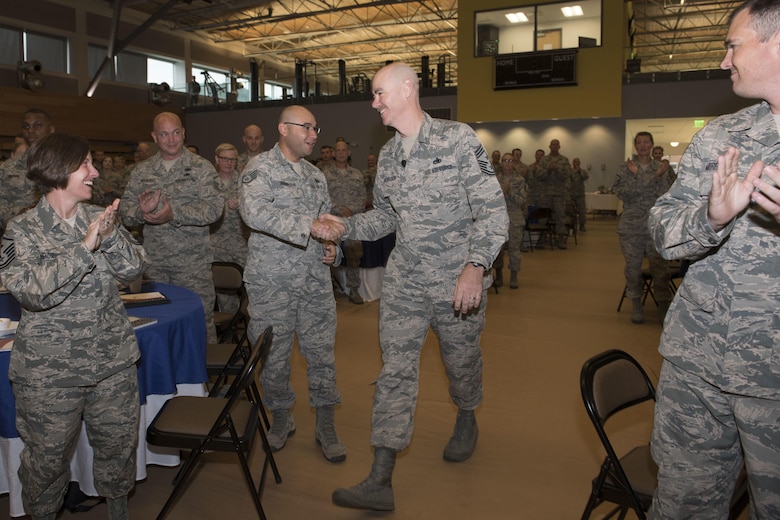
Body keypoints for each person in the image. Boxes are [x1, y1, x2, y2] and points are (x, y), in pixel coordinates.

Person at [327, 62, 508, 511]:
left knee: (461, 361)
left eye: (378, 93)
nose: (374, 103)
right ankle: (380, 478)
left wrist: (475, 267)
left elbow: (493, 212)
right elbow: (387, 217)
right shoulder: (388, 155)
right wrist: (343, 227)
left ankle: (467, 414)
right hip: (405, 279)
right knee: (395, 370)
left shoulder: (458, 138)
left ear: (407, 89)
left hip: (456, 282)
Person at [647, 1, 780, 517]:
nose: (725, 61)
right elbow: (662, 229)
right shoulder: (723, 137)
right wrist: (711, 219)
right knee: (681, 505)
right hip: (696, 366)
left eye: (733, 45)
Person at [0, 133, 148, 520]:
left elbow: (134, 271)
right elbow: (32, 293)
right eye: (86, 164)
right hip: (49, 374)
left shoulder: (101, 216)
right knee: (46, 466)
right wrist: (84, 247)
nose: (95, 172)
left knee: (117, 451)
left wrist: (110, 234)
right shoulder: (22, 231)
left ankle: (119, 512)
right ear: (58, 170)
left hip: (112, 364)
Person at [238, 105, 347, 463]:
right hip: (273, 283)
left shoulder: (317, 176)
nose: (314, 134)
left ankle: (326, 422)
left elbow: (328, 225)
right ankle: (282, 417)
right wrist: (309, 226)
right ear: (283, 129)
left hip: (315, 282)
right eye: (307, 127)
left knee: (321, 355)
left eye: (317, 127)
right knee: (274, 358)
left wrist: (334, 249)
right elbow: (253, 213)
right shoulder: (260, 169)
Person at [120, 111, 223, 343]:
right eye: (164, 134)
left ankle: (204, 378)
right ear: (154, 137)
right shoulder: (142, 171)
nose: (171, 139)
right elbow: (125, 213)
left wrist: (174, 214)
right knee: (159, 324)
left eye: (176, 132)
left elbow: (215, 210)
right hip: (155, 265)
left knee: (200, 325)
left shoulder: (201, 168)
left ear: (183, 133)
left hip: (193, 265)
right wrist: (142, 212)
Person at [613, 131, 673, 324]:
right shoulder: (625, 169)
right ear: (635, 146)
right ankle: (636, 303)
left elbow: (667, 195)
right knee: (633, 268)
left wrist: (643, 178)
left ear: (652, 144)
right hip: (632, 227)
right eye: (639, 143)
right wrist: (650, 177)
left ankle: (663, 304)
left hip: (656, 225)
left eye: (646, 142)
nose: (643, 146)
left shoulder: (664, 168)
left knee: (660, 268)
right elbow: (623, 195)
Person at [323, 140, 367, 304]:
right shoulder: (325, 174)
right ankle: (329, 291)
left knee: (354, 257)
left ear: (349, 153)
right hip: (332, 222)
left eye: (344, 150)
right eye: (338, 150)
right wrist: (339, 210)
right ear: (333, 153)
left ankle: (354, 290)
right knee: (327, 256)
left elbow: (363, 198)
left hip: (352, 222)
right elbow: (323, 198)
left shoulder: (357, 174)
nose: (341, 153)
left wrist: (350, 209)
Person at [0, 108, 54, 235]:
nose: (30, 130)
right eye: (26, 126)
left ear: (51, 130)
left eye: (37, 125)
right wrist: (19, 214)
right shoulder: (9, 166)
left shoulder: (65, 165)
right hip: (19, 236)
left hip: (57, 237)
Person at [210, 142, 250, 312]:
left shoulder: (244, 183)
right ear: (217, 159)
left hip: (239, 244)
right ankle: (230, 324)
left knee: (245, 289)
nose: (229, 163)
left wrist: (242, 206)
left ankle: (241, 321)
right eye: (225, 159)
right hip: (215, 244)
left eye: (232, 159)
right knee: (221, 292)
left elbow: (255, 212)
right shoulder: (208, 183)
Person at [493, 152, 528, 289]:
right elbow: (490, 200)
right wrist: (501, 192)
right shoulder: (495, 179)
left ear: (513, 163)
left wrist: (510, 192)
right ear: (501, 163)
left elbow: (522, 200)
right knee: (498, 250)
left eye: (510, 160)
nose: (507, 163)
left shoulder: (520, 180)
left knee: (514, 249)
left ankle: (514, 275)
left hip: (514, 217)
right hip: (498, 218)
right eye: (505, 160)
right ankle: (499, 275)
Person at [537, 139, 572, 249]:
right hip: (545, 193)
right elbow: (539, 176)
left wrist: (557, 170)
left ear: (559, 146)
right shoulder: (544, 160)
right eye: (553, 144)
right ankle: (541, 239)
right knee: (543, 216)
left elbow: (566, 176)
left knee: (560, 217)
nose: (555, 146)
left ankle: (560, 240)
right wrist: (548, 170)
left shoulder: (564, 160)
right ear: (549, 146)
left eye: (557, 144)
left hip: (559, 194)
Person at [570, 157, 589, 231]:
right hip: (571, 194)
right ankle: (571, 225)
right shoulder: (570, 171)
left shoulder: (583, 171)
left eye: (578, 162)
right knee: (570, 210)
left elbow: (585, 177)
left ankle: (582, 225)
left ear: (580, 163)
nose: (576, 163)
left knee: (582, 211)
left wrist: (579, 171)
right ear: (573, 163)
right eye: (575, 162)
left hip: (580, 194)